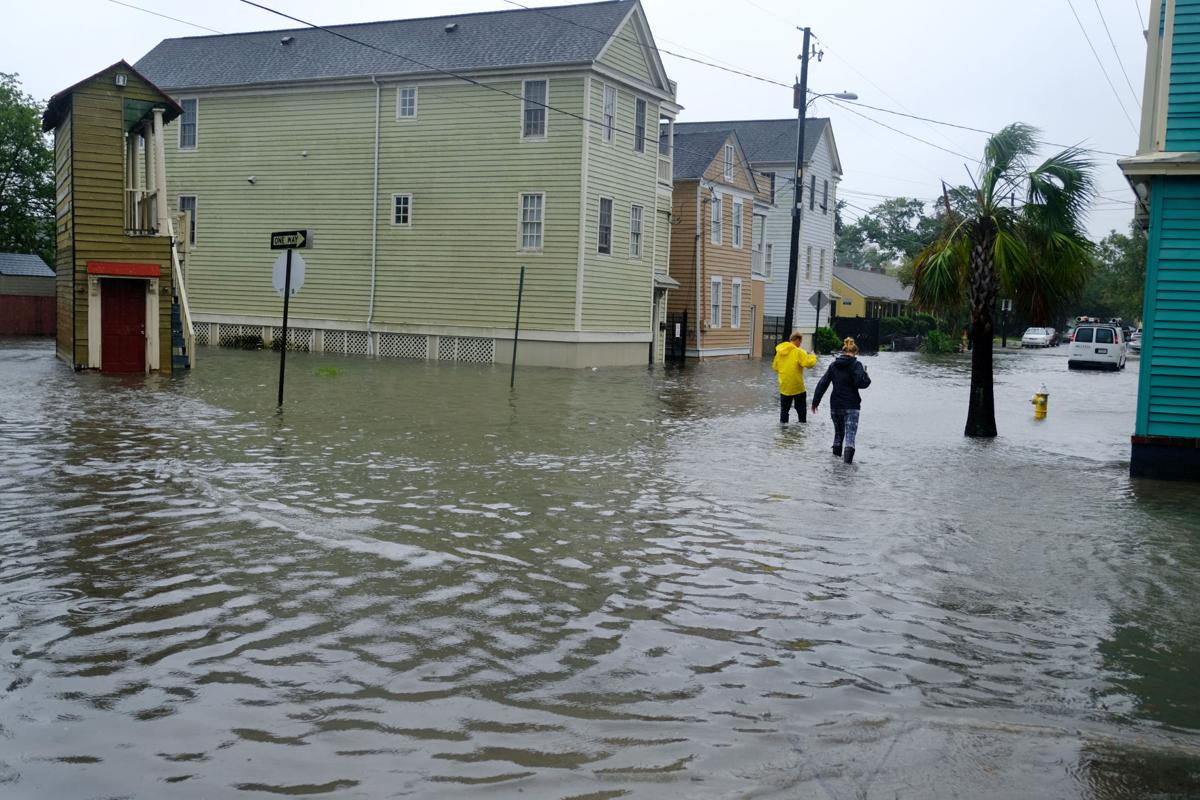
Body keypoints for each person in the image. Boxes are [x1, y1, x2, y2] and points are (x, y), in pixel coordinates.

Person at [811, 336, 872, 463]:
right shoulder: (856, 365)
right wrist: (865, 375)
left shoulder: (833, 366)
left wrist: (815, 402)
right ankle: (847, 468)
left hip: (836, 405)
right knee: (850, 436)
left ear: (843, 351)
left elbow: (823, 383)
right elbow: (860, 383)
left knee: (838, 435)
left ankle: (835, 465)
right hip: (851, 405)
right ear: (855, 352)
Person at [772, 331, 817, 424]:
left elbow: (775, 367)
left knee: (784, 411)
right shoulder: (799, 351)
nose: (800, 344)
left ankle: (783, 432)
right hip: (797, 387)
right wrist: (813, 356)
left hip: (784, 386)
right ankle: (800, 432)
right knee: (801, 411)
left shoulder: (780, 352)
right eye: (800, 342)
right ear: (797, 340)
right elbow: (808, 364)